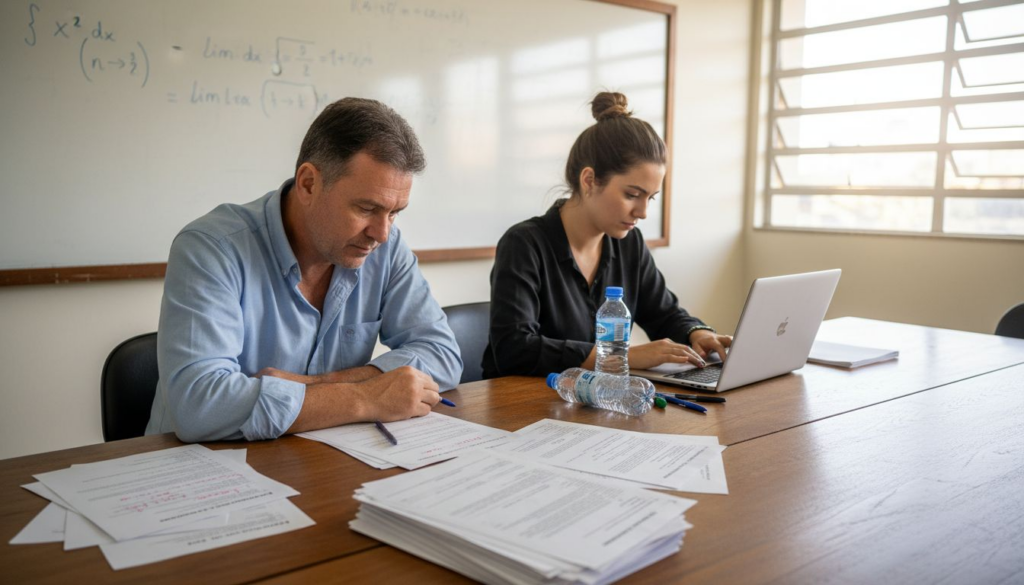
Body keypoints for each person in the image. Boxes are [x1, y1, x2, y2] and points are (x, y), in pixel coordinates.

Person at [146, 97, 463, 442]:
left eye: (395, 212)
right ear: (309, 183)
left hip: (317, 454)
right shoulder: (211, 248)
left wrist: (318, 384)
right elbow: (198, 406)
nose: (381, 233)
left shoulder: (385, 246)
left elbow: (442, 353)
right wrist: (367, 397)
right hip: (194, 463)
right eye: (366, 208)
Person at [483, 92, 732, 379]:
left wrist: (697, 333)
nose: (642, 212)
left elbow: (663, 313)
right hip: (525, 400)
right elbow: (514, 349)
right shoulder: (524, 244)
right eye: (632, 194)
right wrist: (619, 356)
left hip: (598, 397)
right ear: (589, 180)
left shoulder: (630, 243)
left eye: (650, 198)